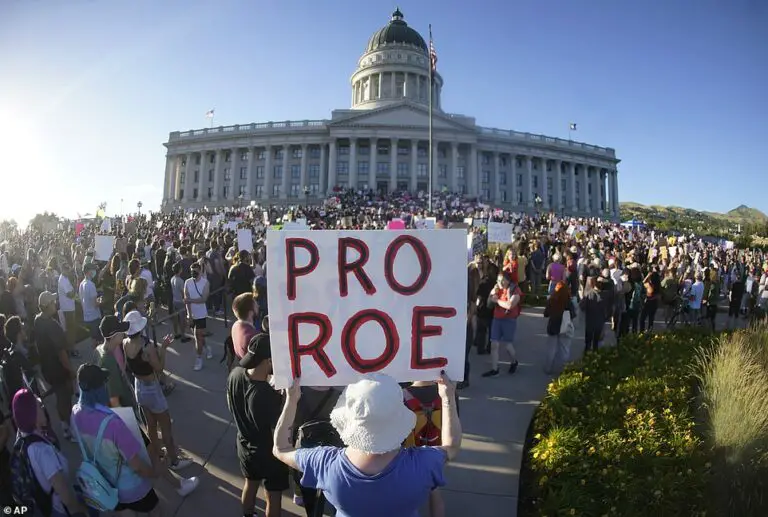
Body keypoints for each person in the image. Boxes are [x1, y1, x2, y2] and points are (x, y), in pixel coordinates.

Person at [272, 372, 461, 517]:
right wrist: (447, 398)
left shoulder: (325, 463)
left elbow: (281, 448)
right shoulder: (422, 464)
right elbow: (451, 447)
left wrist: (291, 400)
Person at [71, 364, 198, 516]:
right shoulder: (113, 424)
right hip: (131, 487)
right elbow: (138, 467)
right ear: (98, 388)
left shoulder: (75, 413)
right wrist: (155, 472)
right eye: (103, 383)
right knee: (156, 511)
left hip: (106, 483)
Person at [226, 334, 288, 517]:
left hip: (245, 445)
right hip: (268, 453)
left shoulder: (235, 374)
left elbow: (231, 404)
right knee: (273, 496)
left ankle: (248, 514)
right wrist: (286, 400)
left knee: (250, 484)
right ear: (269, 361)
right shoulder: (267, 395)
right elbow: (279, 428)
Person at [122, 310, 191, 471]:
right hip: (152, 388)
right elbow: (159, 368)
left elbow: (128, 366)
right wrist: (164, 348)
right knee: (165, 426)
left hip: (139, 387)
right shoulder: (147, 346)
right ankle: (174, 461)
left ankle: (158, 453)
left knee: (151, 425)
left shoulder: (125, 344)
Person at [10, 389, 92, 517]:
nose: (44, 409)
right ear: (32, 415)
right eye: (40, 406)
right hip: (60, 510)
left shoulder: (22, 438)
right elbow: (67, 498)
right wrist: (83, 511)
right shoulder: (43, 451)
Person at [33, 291, 76, 441]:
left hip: (47, 368)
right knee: (65, 397)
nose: (55, 303)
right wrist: (70, 370)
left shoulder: (37, 320)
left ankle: (65, 426)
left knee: (60, 396)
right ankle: (70, 429)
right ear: (46, 306)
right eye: (52, 302)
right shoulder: (53, 325)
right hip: (58, 368)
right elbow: (61, 352)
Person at [483, 271, 522, 377]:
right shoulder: (497, 289)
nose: (500, 283)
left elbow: (510, 305)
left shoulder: (515, 290)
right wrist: (492, 294)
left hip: (509, 320)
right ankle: (494, 369)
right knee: (494, 345)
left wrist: (497, 300)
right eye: (498, 280)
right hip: (497, 319)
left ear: (508, 281)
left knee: (508, 346)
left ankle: (514, 361)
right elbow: (489, 304)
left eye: (502, 280)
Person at [543, 281, 576, 374]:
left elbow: (546, 314)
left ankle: (548, 368)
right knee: (564, 349)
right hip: (565, 327)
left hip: (553, 327)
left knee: (551, 349)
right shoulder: (569, 301)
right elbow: (573, 315)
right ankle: (563, 369)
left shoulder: (551, 300)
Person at [184, 262, 212, 371]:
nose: (193, 273)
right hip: (191, 315)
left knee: (197, 336)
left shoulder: (205, 283)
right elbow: (186, 300)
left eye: (195, 271)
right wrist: (189, 315)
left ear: (200, 271)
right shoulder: (187, 282)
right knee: (198, 337)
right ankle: (207, 348)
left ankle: (199, 358)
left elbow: (203, 299)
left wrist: (189, 300)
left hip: (201, 314)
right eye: (191, 271)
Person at [231, 292, 260, 360]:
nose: (258, 306)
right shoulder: (253, 336)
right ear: (250, 313)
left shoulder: (235, 325)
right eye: (256, 305)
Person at [79, 263, 101, 348]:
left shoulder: (82, 284)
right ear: (88, 271)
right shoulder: (91, 285)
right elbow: (95, 304)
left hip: (87, 317)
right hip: (94, 317)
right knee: (97, 342)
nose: (94, 272)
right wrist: (101, 301)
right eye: (93, 270)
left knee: (93, 340)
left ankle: (94, 358)